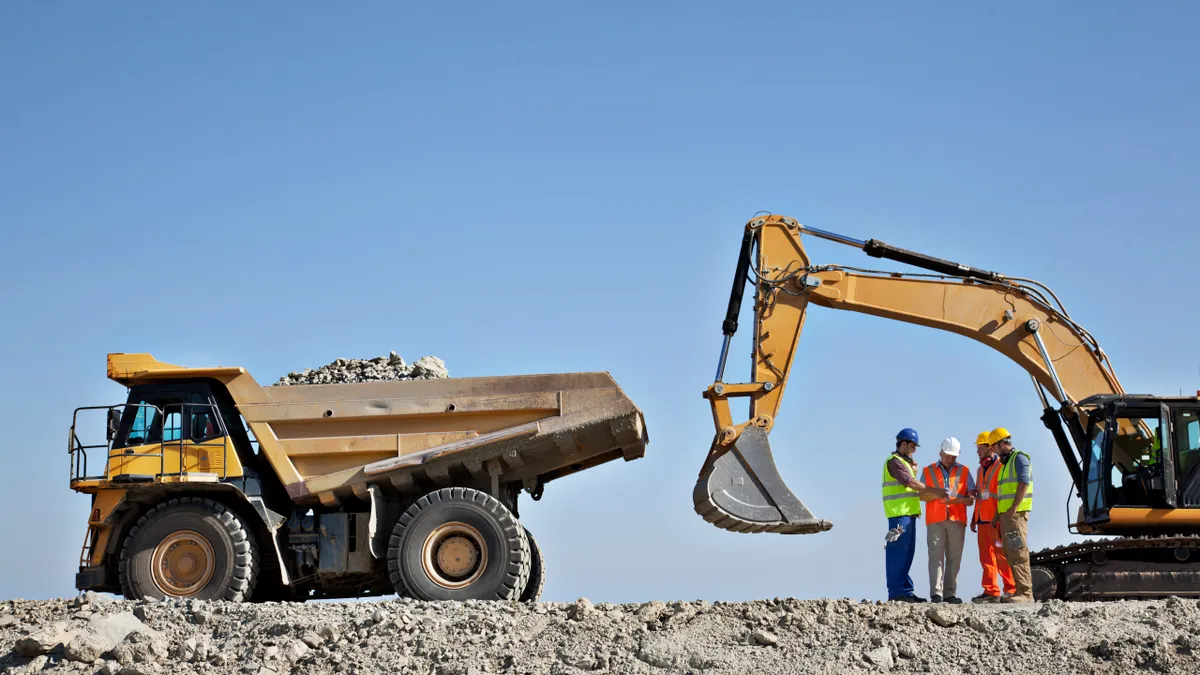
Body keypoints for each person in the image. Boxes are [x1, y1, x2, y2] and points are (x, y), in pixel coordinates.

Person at [883, 428, 949, 603]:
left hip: (908, 516)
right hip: (899, 516)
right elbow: (910, 483)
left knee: (907, 554)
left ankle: (905, 591)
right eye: (912, 446)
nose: (915, 450)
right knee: (897, 554)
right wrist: (936, 491)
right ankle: (897, 593)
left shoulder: (904, 463)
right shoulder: (894, 462)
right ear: (903, 444)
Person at [920, 437, 975, 604]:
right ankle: (936, 593)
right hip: (935, 519)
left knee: (954, 558)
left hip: (956, 519)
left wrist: (962, 499)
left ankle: (950, 593)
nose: (950, 459)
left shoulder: (964, 471)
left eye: (953, 457)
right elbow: (921, 495)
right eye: (947, 456)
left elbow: (971, 495)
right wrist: (937, 493)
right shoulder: (928, 471)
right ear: (940, 453)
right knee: (935, 556)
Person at [970, 430, 1016, 603]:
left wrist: (1000, 517)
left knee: (1002, 555)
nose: (977, 451)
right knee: (986, 558)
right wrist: (974, 518)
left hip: (995, 519)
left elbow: (1000, 494)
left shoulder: (1000, 467)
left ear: (991, 448)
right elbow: (982, 495)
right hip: (982, 520)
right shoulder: (979, 470)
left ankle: (1011, 589)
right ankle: (991, 591)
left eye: (980, 447)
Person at [992, 427, 1034, 603]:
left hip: (1015, 515)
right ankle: (1019, 590)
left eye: (994, 446)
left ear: (1002, 444)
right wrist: (998, 514)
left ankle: (1026, 593)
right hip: (1007, 515)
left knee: (1018, 552)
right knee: (1010, 553)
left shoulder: (1019, 458)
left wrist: (1014, 507)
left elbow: (1024, 482)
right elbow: (1003, 494)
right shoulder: (1005, 464)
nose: (992, 450)